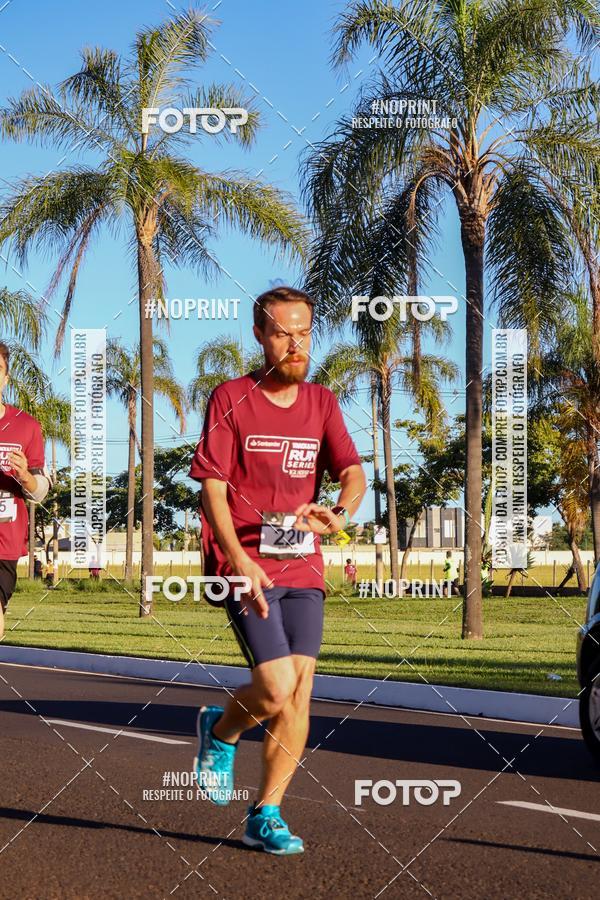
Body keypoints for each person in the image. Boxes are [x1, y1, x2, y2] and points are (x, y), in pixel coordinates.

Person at [188, 286, 366, 855]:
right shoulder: (231, 397)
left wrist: (336, 514)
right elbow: (213, 488)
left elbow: (354, 474)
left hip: (302, 562)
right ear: (261, 336)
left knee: (300, 694)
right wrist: (237, 558)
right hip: (242, 562)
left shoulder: (322, 403)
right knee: (274, 685)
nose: (296, 343)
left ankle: (265, 813)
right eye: (284, 332)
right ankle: (221, 732)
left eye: (304, 332)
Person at [0, 342, 52, 636]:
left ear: (6, 378)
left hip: (4, 543)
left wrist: (23, 476)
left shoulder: (26, 427)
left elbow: (39, 489)